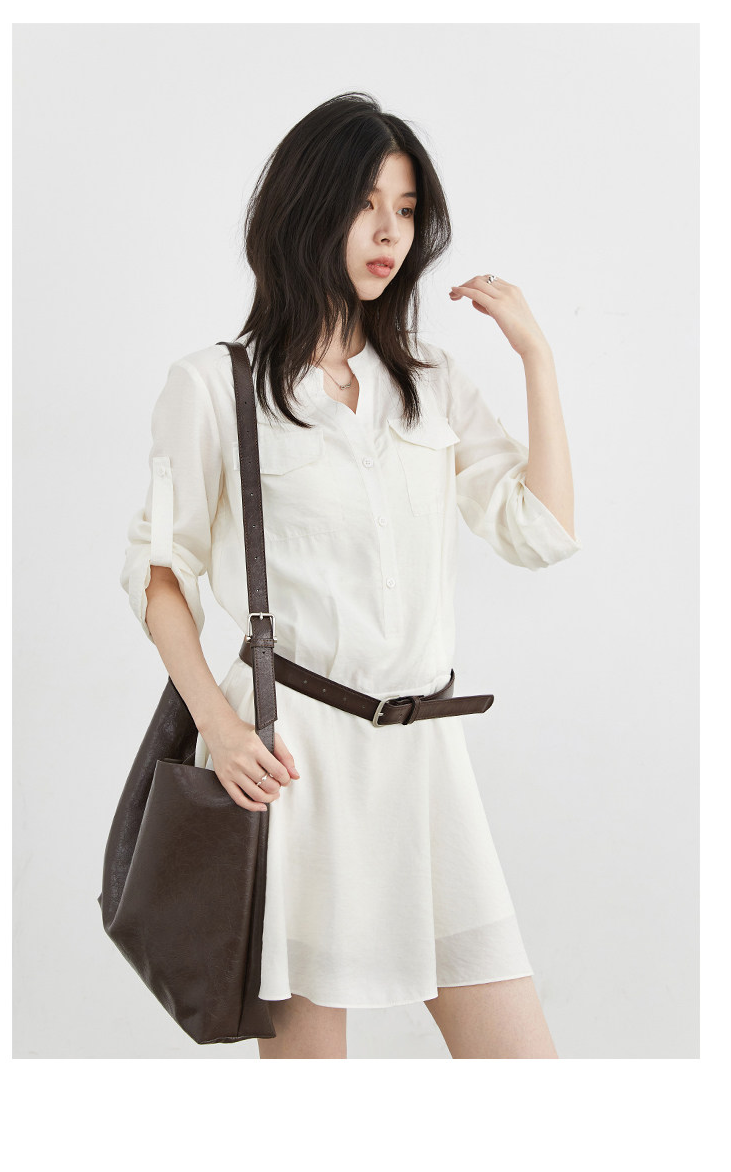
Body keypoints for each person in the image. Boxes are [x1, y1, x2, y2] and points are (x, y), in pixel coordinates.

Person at [120, 92, 582, 1059]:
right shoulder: (214, 386)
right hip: (294, 760)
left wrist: (536, 355)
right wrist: (221, 727)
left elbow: (540, 532)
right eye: (365, 203)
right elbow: (160, 574)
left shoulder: (430, 380)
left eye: (406, 210)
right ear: (306, 208)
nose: (389, 232)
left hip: (424, 763)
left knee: (525, 1069)